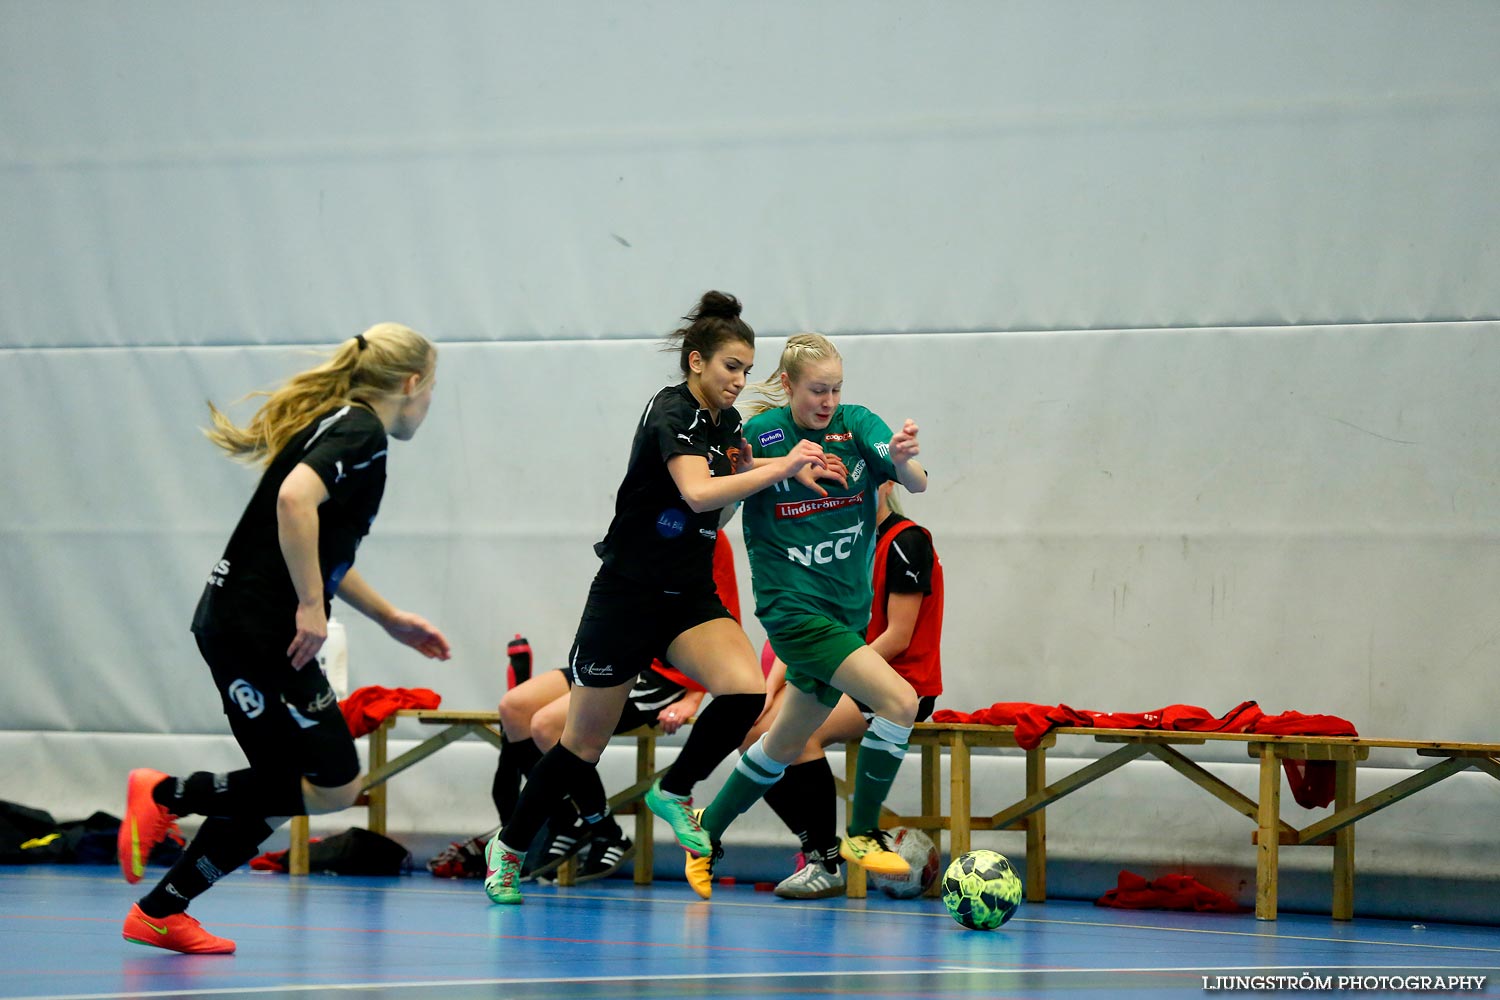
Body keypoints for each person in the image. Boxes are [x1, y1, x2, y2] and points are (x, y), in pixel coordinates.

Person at [482, 291, 842, 905]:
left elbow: (733, 491)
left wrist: (790, 474)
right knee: (579, 745)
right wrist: (781, 467)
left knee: (744, 690)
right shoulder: (669, 409)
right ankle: (508, 848)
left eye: (749, 370)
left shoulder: (729, 425)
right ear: (696, 361)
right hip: (626, 595)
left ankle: (673, 791)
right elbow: (700, 492)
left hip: (688, 592)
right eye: (732, 366)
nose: (740, 380)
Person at [117, 324, 451, 953]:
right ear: (410, 384)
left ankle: (161, 911)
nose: (430, 404)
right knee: (335, 784)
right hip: (257, 629)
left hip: (245, 624)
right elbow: (295, 501)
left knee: (282, 791)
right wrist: (307, 605)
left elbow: (322, 547)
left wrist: (389, 618)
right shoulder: (362, 431)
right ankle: (165, 793)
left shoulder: (339, 424)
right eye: (432, 389)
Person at [686, 332, 929, 899]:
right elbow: (717, 511)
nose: (827, 399)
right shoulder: (763, 434)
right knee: (900, 702)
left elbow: (915, 483)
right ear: (789, 385)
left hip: (845, 614)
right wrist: (766, 470)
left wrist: (901, 460)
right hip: (793, 609)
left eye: (835, 388)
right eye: (817, 389)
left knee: (781, 742)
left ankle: (707, 830)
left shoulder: (857, 423)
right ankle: (863, 834)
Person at [472, 533, 740, 884]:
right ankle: (568, 820)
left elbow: (727, 616)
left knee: (547, 726)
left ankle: (604, 831)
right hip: (622, 655)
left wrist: (696, 692)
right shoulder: (640, 519)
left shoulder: (709, 535)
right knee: (514, 707)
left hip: (665, 673)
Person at [756, 478, 944, 899]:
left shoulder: (906, 541)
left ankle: (826, 864)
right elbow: (808, 626)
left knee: (803, 734)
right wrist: (772, 685)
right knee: (755, 732)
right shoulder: (841, 546)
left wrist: (831, 674)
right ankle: (817, 848)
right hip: (851, 676)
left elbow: (897, 636)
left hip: (900, 684)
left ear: (886, 484)